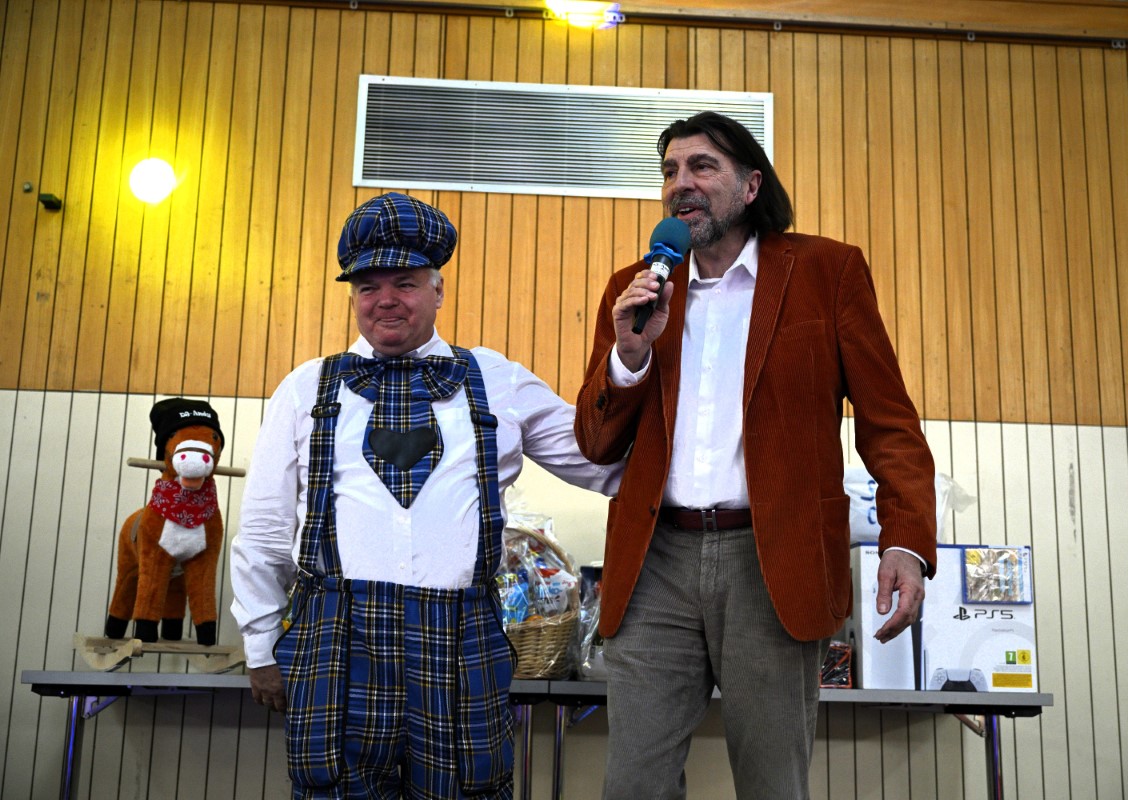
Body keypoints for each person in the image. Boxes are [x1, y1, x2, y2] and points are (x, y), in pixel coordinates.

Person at [574, 111, 938, 799]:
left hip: (773, 560)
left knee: (773, 784)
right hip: (655, 562)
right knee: (632, 785)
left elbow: (890, 422)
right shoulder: (637, 290)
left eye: (702, 166)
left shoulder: (827, 272)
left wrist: (906, 540)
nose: (681, 183)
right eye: (670, 171)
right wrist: (628, 355)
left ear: (750, 186)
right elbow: (596, 443)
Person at [231, 192, 622, 800]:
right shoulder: (306, 387)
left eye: (405, 283)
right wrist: (260, 645)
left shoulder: (496, 379)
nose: (385, 299)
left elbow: (602, 465)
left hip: (462, 644)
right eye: (368, 286)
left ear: (438, 291)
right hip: (335, 642)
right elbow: (263, 528)